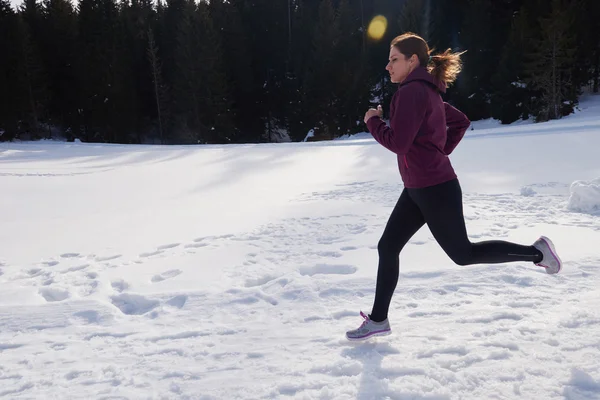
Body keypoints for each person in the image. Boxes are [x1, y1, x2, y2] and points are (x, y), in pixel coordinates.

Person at [345, 33, 562, 341]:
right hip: (418, 187)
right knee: (388, 246)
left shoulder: (412, 93)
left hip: (435, 188)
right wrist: (438, 153)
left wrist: (373, 122)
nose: (388, 66)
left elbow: (399, 143)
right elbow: (459, 121)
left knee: (462, 254)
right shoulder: (426, 91)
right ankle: (379, 319)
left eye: (394, 59)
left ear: (412, 61)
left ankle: (537, 254)